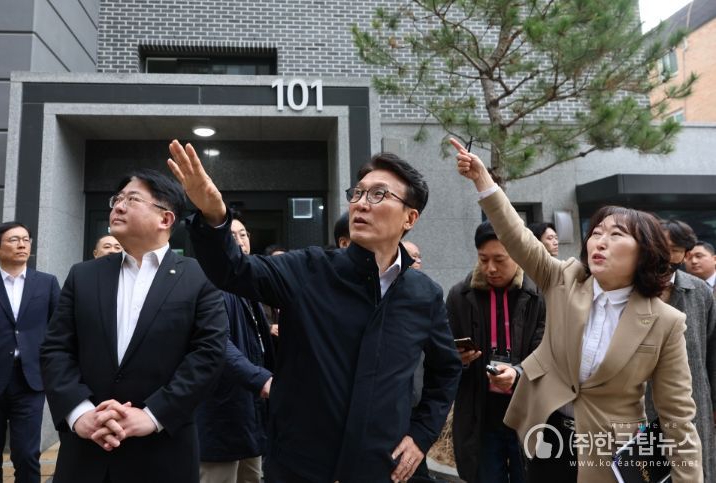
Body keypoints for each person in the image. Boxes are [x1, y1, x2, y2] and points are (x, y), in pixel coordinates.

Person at [168, 140, 462, 483]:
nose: (361, 203)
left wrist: (421, 434)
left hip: (382, 467)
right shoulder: (308, 269)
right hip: (300, 465)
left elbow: (446, 369)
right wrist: (214, 217)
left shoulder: (423, 294)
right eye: (357, 193)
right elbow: (233, 270)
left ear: (410, 217)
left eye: (378, 195)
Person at [451, 138, 702, 483]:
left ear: (644, 252)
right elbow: (517, 237)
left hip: (611, 453)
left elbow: (677, 416)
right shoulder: (564, 278)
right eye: (596, 232)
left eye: (616, 234)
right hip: (549, 437)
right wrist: (484, 181)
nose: (600, 241)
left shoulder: (665, 322)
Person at [40, 168, 229, 483]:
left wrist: (153, 415)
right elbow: (56, 349)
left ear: (165, 219)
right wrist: (79, 413)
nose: (118, 206)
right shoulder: (83, 275)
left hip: (162, 450)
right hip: (88, 449)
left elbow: (208, 354)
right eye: (117, 199)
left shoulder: (199, 277)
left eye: (132, 199)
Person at [448, 221, 545, 483]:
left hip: (528, 412)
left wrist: (518, 373)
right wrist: (459, 359)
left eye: (499, 260)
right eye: (483, 259)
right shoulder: (459, 296)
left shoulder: (539, 294)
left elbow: (547, 350)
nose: (490, 268)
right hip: (481, 414)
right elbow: (444, 352)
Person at [197, 216, 275, 483]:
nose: (240, 241)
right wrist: (261, 379)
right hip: (221, 412)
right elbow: (217, 343)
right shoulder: (210, 282)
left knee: (253, 477)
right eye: (232, 235)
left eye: (244, 234)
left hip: (250, 413)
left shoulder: (247, 283)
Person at [647, 220, 714, 482]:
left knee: (694, 467)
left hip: (694, 401)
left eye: (673, 250)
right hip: (643, 403)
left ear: (685, 254)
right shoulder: (633, 289)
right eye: (659, 247)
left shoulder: (699, 291)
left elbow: (712, 353)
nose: (664, 256)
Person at [0, 222, 60, 483]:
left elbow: (59, 329)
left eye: (26, 239)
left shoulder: (46, 283)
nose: (22, 244)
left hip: (30, 379)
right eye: (14, 240)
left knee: (26, 454)